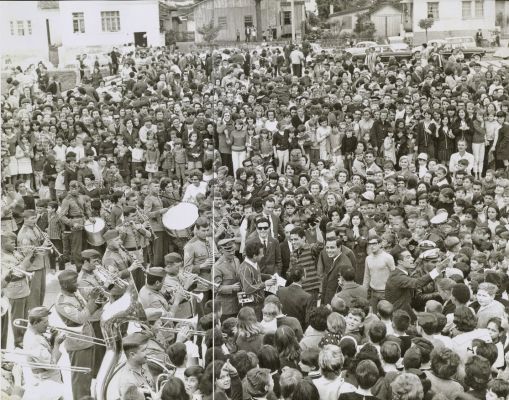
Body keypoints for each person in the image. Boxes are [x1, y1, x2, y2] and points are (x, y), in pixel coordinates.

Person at [54, 270, 101, 400]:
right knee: (81, 381)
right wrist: (92, 300)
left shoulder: (74, 292)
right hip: (78, 343)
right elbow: (80, 318)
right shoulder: (62, 301)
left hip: (86, 338)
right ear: (64, 285)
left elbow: (86, 309)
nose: (78, 283)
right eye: (74, 282)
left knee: (87, 378)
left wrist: (98, 302)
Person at [21, 306, 66, 400]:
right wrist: (57, 344)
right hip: (47, 383)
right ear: (35, 323)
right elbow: (51, 364)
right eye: (45, 322)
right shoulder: (32, 340)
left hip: (50, 380)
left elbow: (47, 350)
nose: (48, 325)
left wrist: (53, 338)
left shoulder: (35, 332)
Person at [1, 232, 32, 348]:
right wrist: (28, 256)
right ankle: (18, 341)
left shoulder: (14, 253)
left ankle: (22, 337)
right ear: (3, 243)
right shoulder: (2, 257)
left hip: (24, 287)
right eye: (12, 242)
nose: (15, 244)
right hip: (14, 290)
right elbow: (17, 273)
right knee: (18, 318)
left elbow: (27, 267)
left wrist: (30, 256)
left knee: (24, 317)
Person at [117, 333, 156, 399]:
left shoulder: (142, 362)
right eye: (144, 350)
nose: (147, 353)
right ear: (132, 355)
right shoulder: (128, 382)